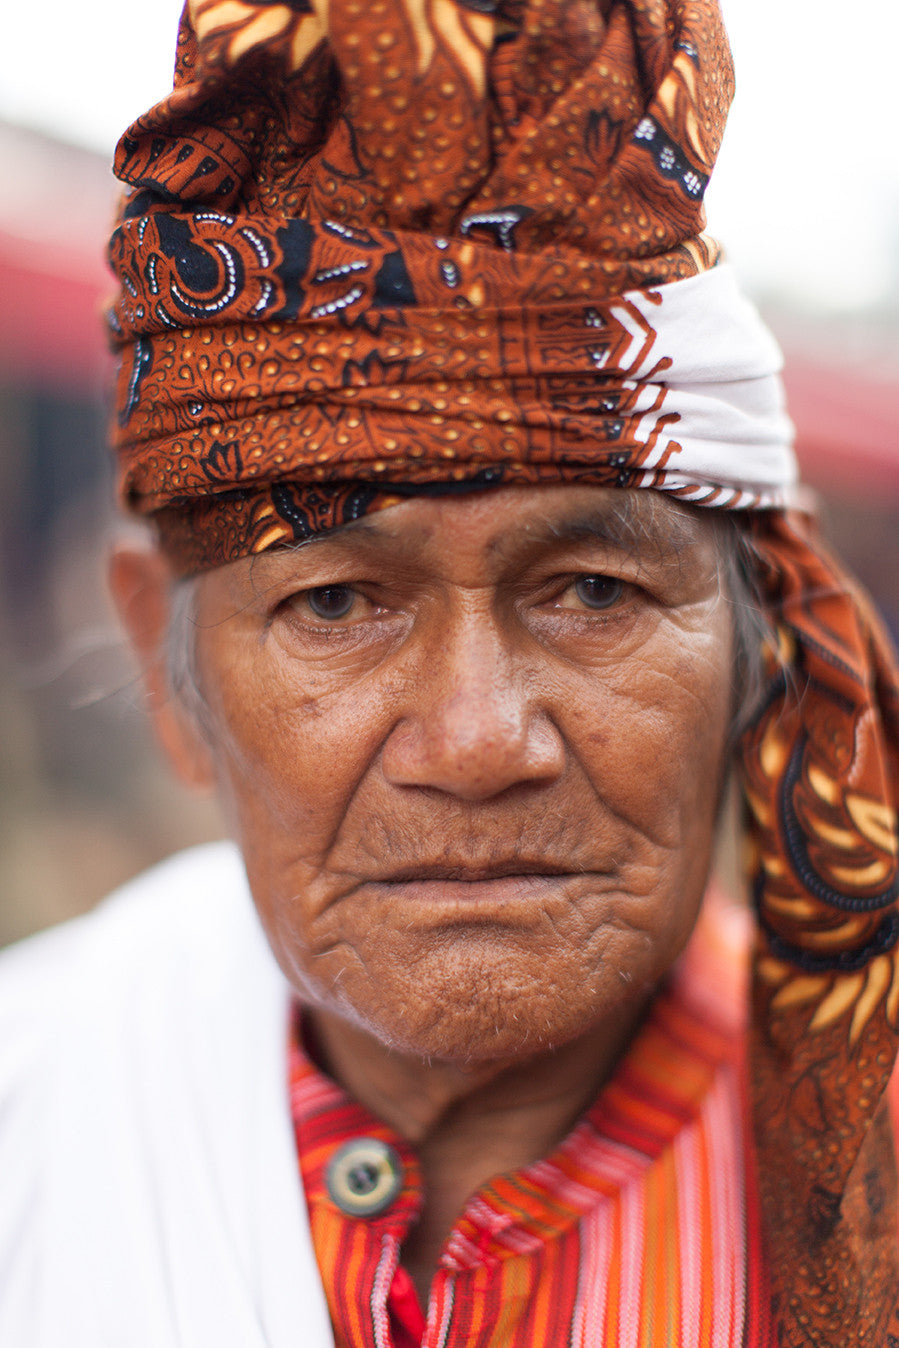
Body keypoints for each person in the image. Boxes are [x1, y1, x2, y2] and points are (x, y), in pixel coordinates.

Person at [2, 0, 898, 1344]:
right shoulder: (37, 1104)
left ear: (760, 643)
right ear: (165, 667)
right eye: (335, 602)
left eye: (594, 592)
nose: (478, 743)